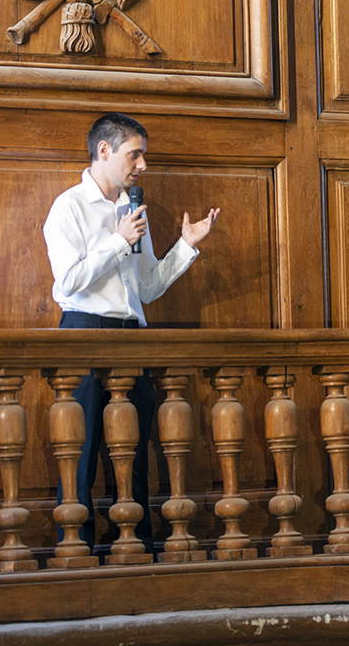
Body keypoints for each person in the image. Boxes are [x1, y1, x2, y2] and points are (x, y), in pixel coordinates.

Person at [43, 112, 220, 552]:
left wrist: (186, 247)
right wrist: (119, 240)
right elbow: (67, 282)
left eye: (143, 156)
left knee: (135, 448)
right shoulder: (69, 207)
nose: (142, 165)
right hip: (83, 334)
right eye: (134, 154)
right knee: (80, 449)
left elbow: (146, 287)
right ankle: (75, 548)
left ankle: (134, 545)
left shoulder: (131, 208)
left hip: (132, 337)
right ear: (104, 151)